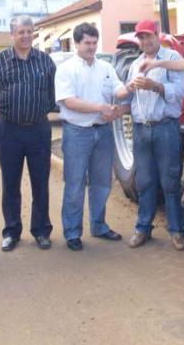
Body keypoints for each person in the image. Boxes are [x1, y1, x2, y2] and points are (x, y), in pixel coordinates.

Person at [114, 19, 184, 251]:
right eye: (141, 37)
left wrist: (154, 85)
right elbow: (127, 99)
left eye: (148, 36)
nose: (145, 41)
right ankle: (142, 228)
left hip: (165, 127)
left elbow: (180, 93)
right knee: (144, 182)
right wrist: (127, 92)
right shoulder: (135, 63)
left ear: (157, 35)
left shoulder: (173, 60)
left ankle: (177, 231)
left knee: (170, 181)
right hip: (141, 129)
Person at [55, 22, 126, 251]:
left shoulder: (105, 67)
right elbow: (69, 101)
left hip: (102, 132)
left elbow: (118, 89)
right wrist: (100, 108)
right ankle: (73, 232)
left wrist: (132, 87)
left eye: (95, 43)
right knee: (75, 183)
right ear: (76, 43)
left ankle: (99, 225)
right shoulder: (66, 69)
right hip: (77, 133)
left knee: (102, 182)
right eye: (87, 43)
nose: (92, 47)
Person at [0, 16, 56, 252]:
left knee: (40, 182)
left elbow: (51, 95)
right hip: (9, 130)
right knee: (10, 182)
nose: (26, 36)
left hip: (38, 129)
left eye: (29, 31)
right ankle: (11, 231)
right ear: (12, 35)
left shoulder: (46, 61)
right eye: (21, 32)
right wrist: (12, 111)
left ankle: (41, 230)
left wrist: (34, 110)